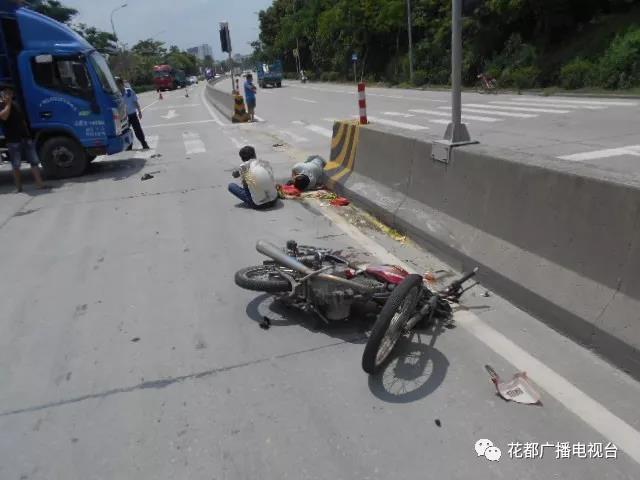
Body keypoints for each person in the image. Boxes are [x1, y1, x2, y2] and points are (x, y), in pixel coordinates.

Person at [0, 82, 47, 192]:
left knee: (34, 161)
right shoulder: (3, 105)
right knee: (16, 164)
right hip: (13, 139)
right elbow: (4, 117)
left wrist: (28, 134)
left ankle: (40, 184)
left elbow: (23, 120)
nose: (8, 95)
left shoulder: (17, 104)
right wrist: (8, 104)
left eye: (10, 93)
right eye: (6, 93)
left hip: (25, 137)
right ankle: (18, 187)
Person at [116, 77, 149, 150]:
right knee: (125, 131)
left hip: (132, 114)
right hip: (123, 117)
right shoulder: (116, 94)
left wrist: (139, 111)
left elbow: (135, 101)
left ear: (121, 84)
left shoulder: (129, 91)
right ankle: (129, 145)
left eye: (118, 84)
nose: (117, 86)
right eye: (116, 85)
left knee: (138, 130)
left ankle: (144, 143)